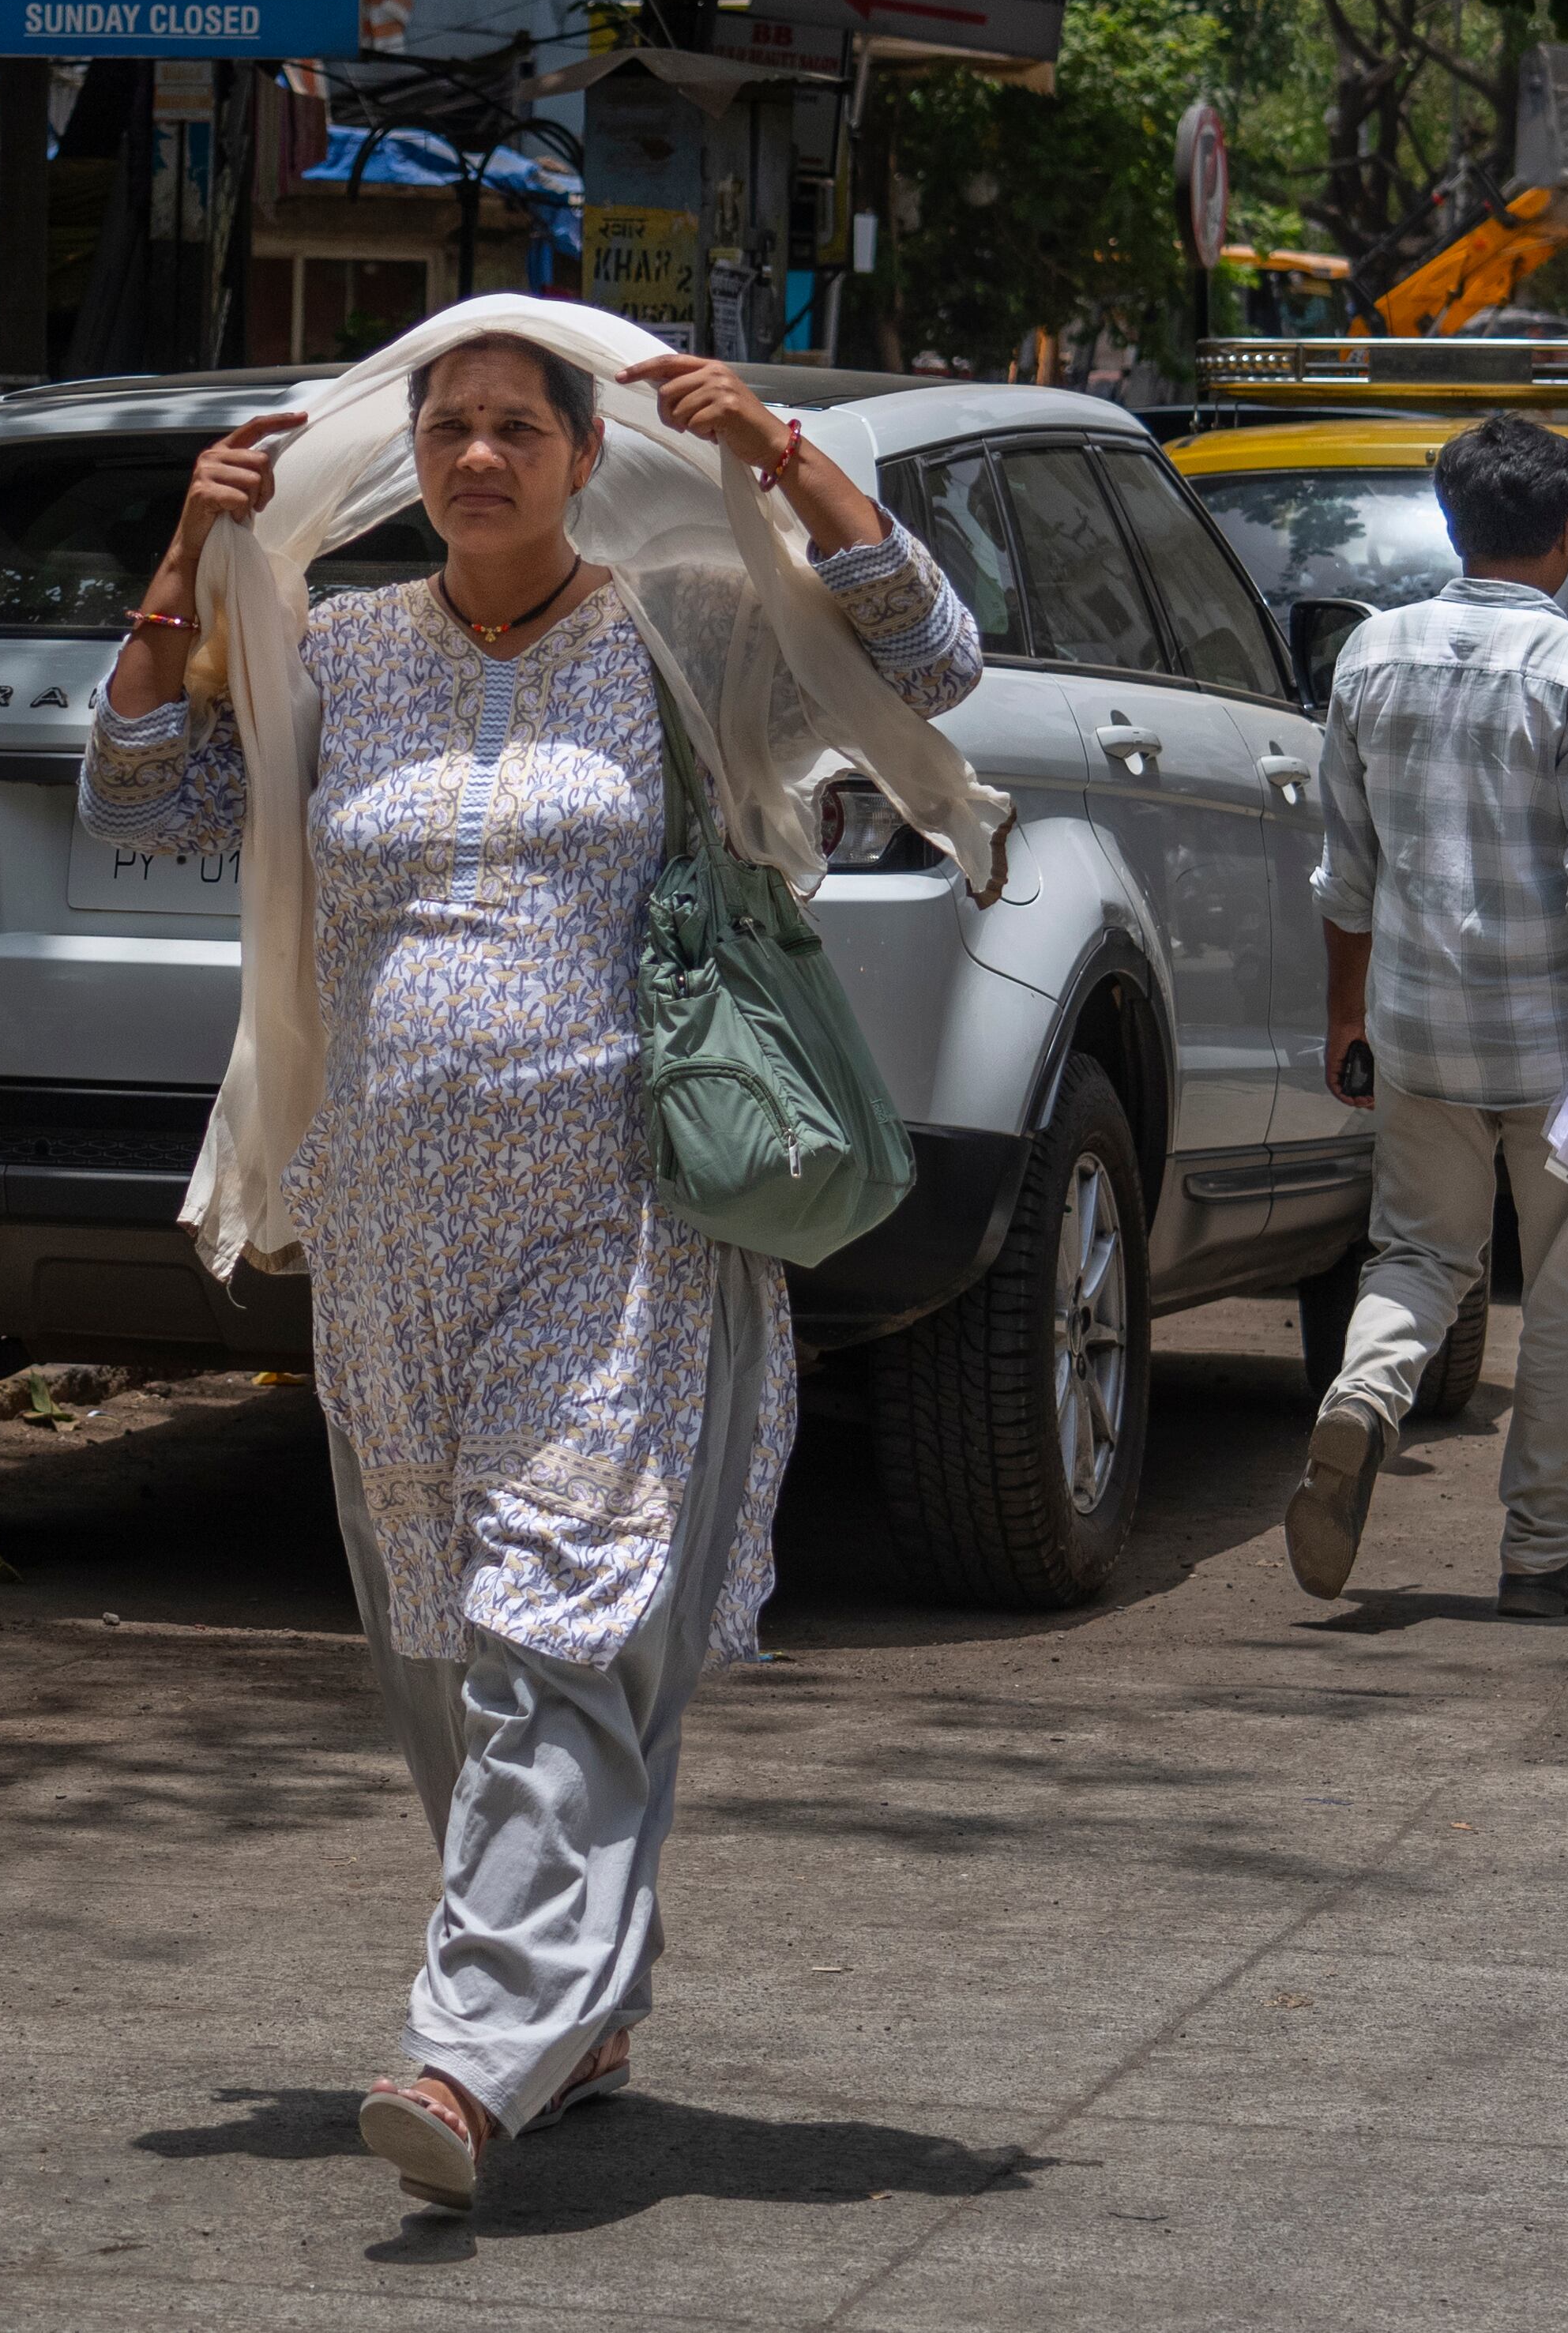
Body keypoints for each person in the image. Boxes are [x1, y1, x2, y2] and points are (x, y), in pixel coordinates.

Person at [77, 330, 985, 2210]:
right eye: (447, 426)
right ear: (410, 461)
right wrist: (184, 561)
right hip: (392, 1215)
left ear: (585, 456)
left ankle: (470, 2049)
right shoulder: (333, 650)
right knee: (434, 1624)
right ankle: (582, 1999)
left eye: (516, 426)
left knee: (551, 1611)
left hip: (619, 1213)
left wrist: (793, 460)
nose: (477, 451)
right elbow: (146, 804)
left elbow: (930, 663)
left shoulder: (685, 637)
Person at [1288, 412, 1568, 1616]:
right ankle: (1543, 1556)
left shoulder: (1372, 654)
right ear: (1564, 536)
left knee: (1417, 1255)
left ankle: (1363, 1397)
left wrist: (1347, 1018)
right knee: (1566, 1288)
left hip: (1418, 1033)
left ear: (1454, 523)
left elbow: (1343, 869)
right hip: (1564, 1050)